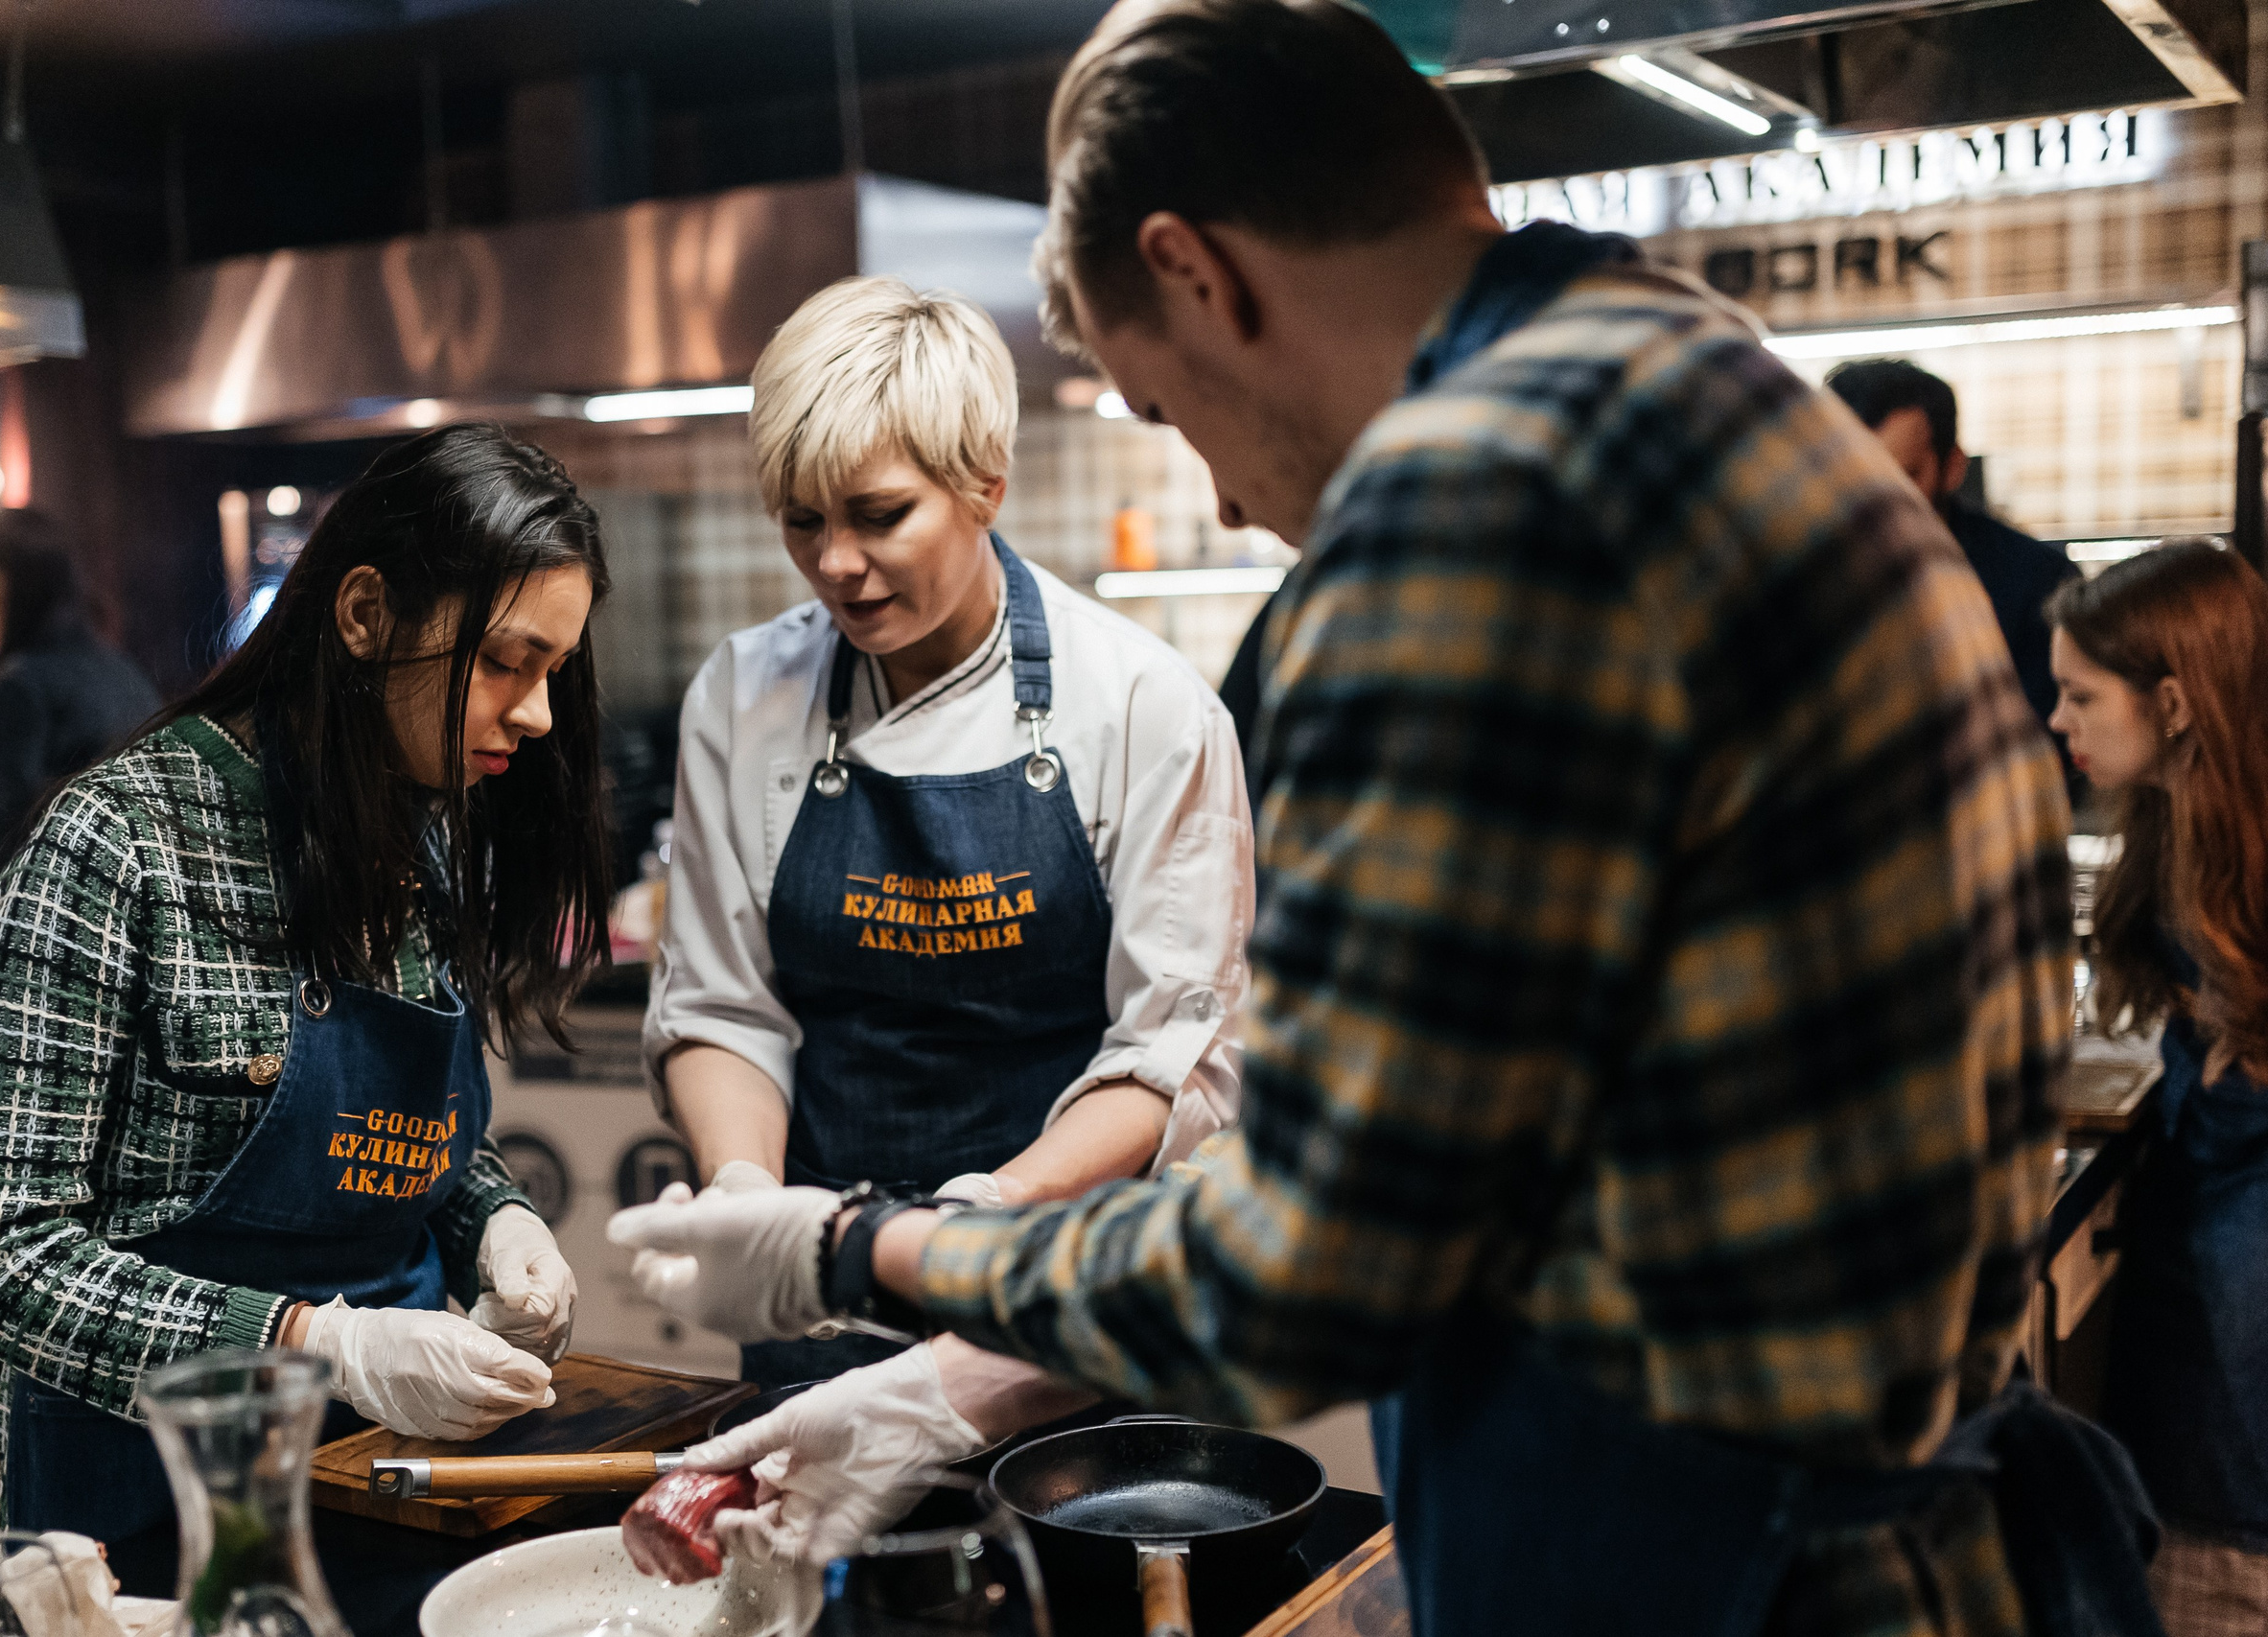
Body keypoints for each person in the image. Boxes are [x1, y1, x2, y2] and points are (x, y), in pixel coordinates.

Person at [607, 7, 2148, 1637]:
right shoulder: (1700, 382)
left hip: (1703, 1576)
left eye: (1170, 407)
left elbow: (1305, 1265)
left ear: (1200, 272)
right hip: (1879, 1543)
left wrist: (864, 1248)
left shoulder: (1464, 510)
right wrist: (943, 1377)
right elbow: (1456, 1170)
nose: (1221, 497)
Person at [0, 425, 603, 1629]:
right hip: (149, 1519)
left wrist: (491, 1219)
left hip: (393, 1480)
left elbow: (411, 1138)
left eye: (554, 668)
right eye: (508, 662)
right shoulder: (118, 844)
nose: (540, 713)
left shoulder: (425, 834)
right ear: (364, 614)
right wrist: (317, 1347)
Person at [643, 273, 1253, 1391]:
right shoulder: (742, 695)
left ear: (984, 485)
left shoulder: (1141, 706)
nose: (835, 562)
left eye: (878, 516)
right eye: (802, 520)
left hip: (1056, 1298)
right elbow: (723, 1006)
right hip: (816, 1308)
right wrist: (748, 1204)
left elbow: (1171, 1054)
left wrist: (977, 1219)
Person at [2050, 541, 2268, 1635]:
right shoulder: (2191, 829)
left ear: (2174, 703)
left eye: (2081, 694)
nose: (2057, 719)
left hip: (2236, 1386)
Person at [1826, 359, 2078, 751]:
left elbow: (2048, 741)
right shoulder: (1801, 579)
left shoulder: (2036, 583)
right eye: (1851, 476)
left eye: (1902, 476)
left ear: (1954, 468)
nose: (1873, 500)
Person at [0, 507, 161, 880]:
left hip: (76, 895)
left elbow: (6, 839)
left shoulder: (20, 685)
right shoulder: (122, 670)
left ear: (21, 586)